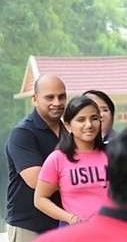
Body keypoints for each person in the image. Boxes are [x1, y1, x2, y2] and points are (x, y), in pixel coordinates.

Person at [5, 74, 65, 242]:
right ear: (35, 98)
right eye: (49, 97)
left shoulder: (68, 131)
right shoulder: (23, 133)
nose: (57, 103)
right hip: (28, 225)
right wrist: (79, 181)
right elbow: (36, 180)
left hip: (61, 223)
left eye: (61, 96)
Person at [33, 96, 108, 225]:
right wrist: (71, 219)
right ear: (68, 125)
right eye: (81, 120)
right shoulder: (57, 159)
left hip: (111, 233)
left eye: (94, 118)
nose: (89, 125)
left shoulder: (114, 154)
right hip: (74, 234)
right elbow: (40, 199)